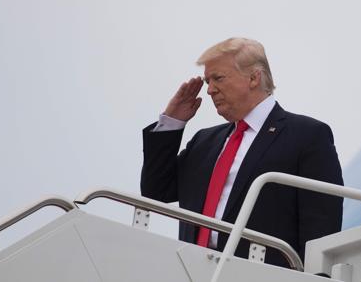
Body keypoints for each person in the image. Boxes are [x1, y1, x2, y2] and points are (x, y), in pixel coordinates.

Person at [141, 38, 343, 267]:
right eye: (207, 81)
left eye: (218, 78)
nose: (209, 90)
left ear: (254, 78)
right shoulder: (204, 141)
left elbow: (321, 226)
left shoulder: (307, 135)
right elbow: (155, 191)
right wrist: (172, 122)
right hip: (193, 269)